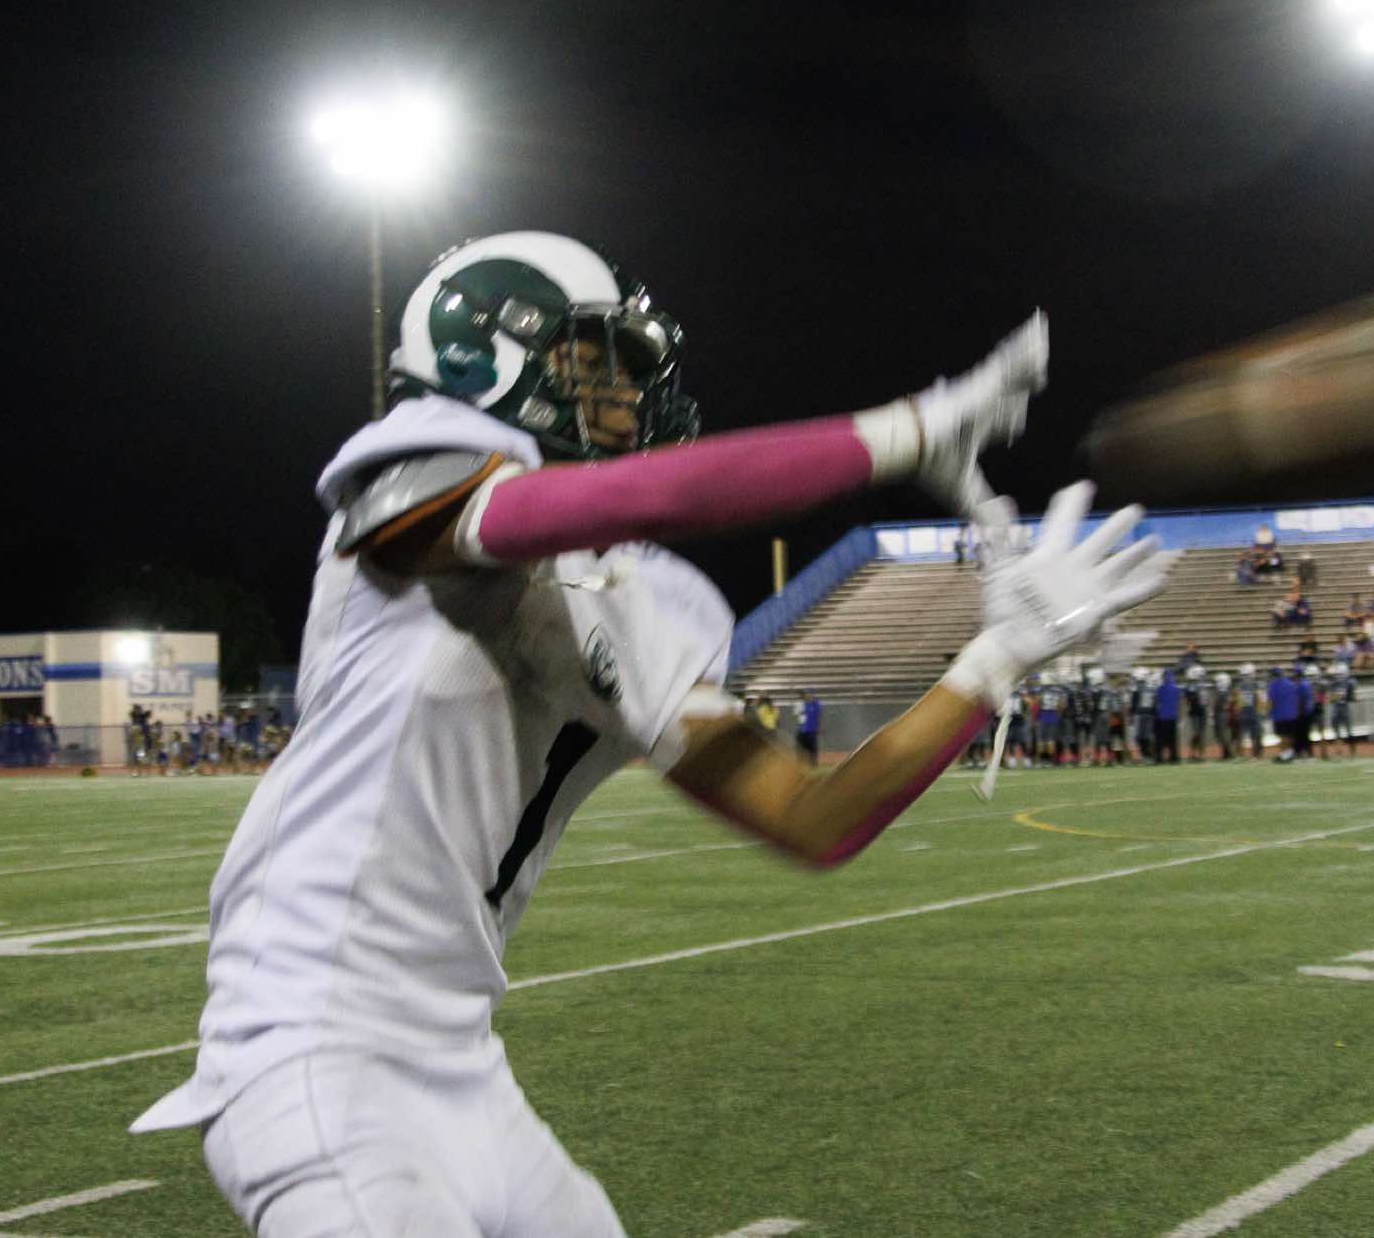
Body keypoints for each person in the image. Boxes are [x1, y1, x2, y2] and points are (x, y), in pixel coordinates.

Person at [128, 233, 1175, 1238]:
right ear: (482, 355)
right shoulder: (423, 475)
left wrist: (993, 661)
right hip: (307, 1043)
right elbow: (608, 502)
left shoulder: (633, 593)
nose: (625, 396)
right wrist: (900, 430)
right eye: (591, 364)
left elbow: (813, 819)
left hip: (459, 1062)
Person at [795, 691, 823, 765]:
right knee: (802, 747)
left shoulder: (816, 704)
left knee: (813, 747)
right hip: (803, 730)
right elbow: (799, 716)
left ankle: (813, 762)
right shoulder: (803, 704)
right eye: (807, 695)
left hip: (812, 730)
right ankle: (802, 762)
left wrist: (819, 727)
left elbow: (819, 716)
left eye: (809, 694)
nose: (808, 696)